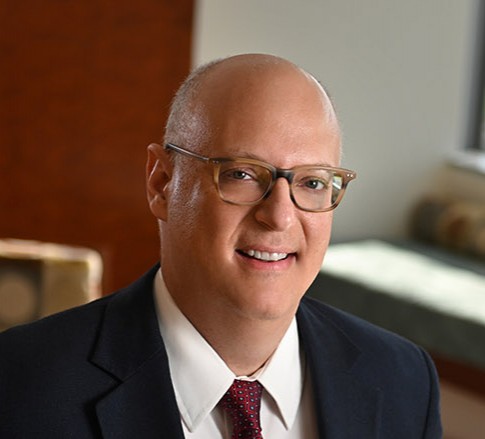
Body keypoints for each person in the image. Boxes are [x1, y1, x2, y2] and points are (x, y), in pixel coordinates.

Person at [0, 54, 442, 438]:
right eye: (242, 174)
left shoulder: (403, 381)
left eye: (312, 182)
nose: (279, 216)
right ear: (162, 183)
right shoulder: (18, 390)